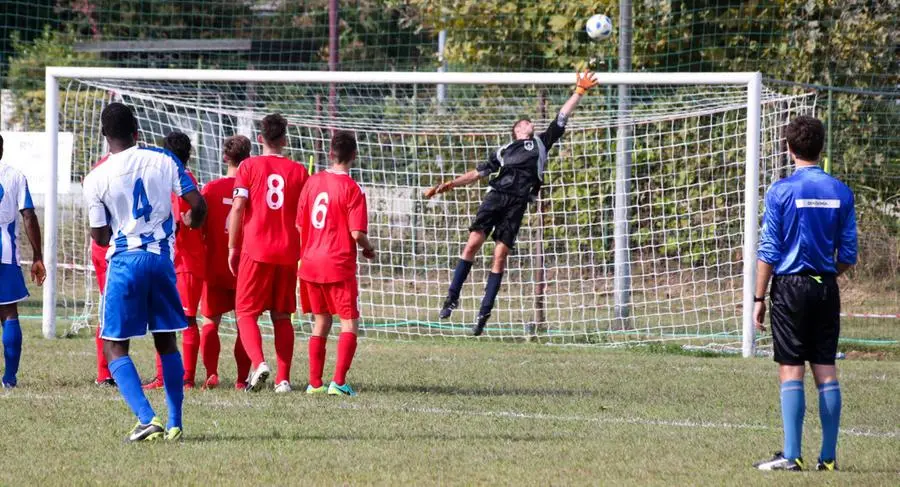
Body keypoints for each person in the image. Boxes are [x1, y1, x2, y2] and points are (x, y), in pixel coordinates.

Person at [424, 69, 598, 335]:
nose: (529, 124)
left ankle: (483, 314)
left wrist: (579, 91)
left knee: (500, 256)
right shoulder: (504, 150)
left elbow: (562, 116)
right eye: (524, 123)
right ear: (517, 130)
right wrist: (449, 184)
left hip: (518, 203)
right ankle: (451, 299)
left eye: (529, 123)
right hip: (496, 197)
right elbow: (477, 173)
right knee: (472, 244)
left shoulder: (542, 142)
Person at [83, 102, 207, 442]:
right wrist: (189, 223)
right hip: (162, 261)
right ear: (137, 131)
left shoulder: (96, 178)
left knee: (113, 345)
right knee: (166, 339)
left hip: (125, 262)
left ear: (105, 136)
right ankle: (175, 421)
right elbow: (198, 205)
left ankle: (146, 417)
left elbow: (99, 236)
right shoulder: (164, 159)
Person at [752, 116, 857, 471]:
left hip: (791, 289)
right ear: (821, 148)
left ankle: (791, 455)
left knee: (791, 369)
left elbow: (768, 250)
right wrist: (824, 274)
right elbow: (848, 255)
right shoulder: (841, 191)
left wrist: (758, 298)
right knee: (825, 368)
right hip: (825, 287)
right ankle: (827, 459)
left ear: (789, 148)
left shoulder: (781, 190)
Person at [228, 114, 308, 393]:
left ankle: (259, 363)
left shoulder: (249, 166)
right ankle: (283, 380)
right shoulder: (299, 171)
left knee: (245, 312)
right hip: (288, 252)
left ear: (260, 138)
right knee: (282, 315)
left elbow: (238, 207)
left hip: (256, 249)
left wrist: (233, 247)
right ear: (285, 139)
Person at [297, 130, 375, 396]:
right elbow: (356, 234)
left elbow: (300, 224)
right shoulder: (353, 189)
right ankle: (339, 383)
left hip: (309, 262)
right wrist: (369, 247)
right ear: (354, 155)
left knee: (321, 322)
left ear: (331, 154)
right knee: (349, 322)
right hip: (337, 263)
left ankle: (314, 383)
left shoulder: (312, 182)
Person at [143, 132, 206, 390]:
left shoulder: (181, 180)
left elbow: (181, 221)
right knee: (166, 318)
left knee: (185, 319)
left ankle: (186, 378)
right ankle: (168, 377)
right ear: (188, 154)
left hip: (183, 260)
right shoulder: (175, 179)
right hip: (176, 260)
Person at [199, 135, 253, 390]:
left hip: (215, 264)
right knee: (245, 322)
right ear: (248, 158)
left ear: (224, 157)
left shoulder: (210, 189)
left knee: (210, 321)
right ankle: (242, 380)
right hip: (245, 265)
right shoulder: (252, 190)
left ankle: (212, 372)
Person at [0, 134, 47, 388]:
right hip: (5, 253)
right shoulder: (15, 176)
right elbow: (28, 215)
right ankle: (9, 378)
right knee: (8, 313)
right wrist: (37, 256)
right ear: (1, 149)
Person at [89, 154, 114, 387]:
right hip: (112, 247)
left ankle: (106, 372)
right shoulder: (146, 161)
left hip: (112, 246)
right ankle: (105, 372)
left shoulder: (98, 169)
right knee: (109, 309)